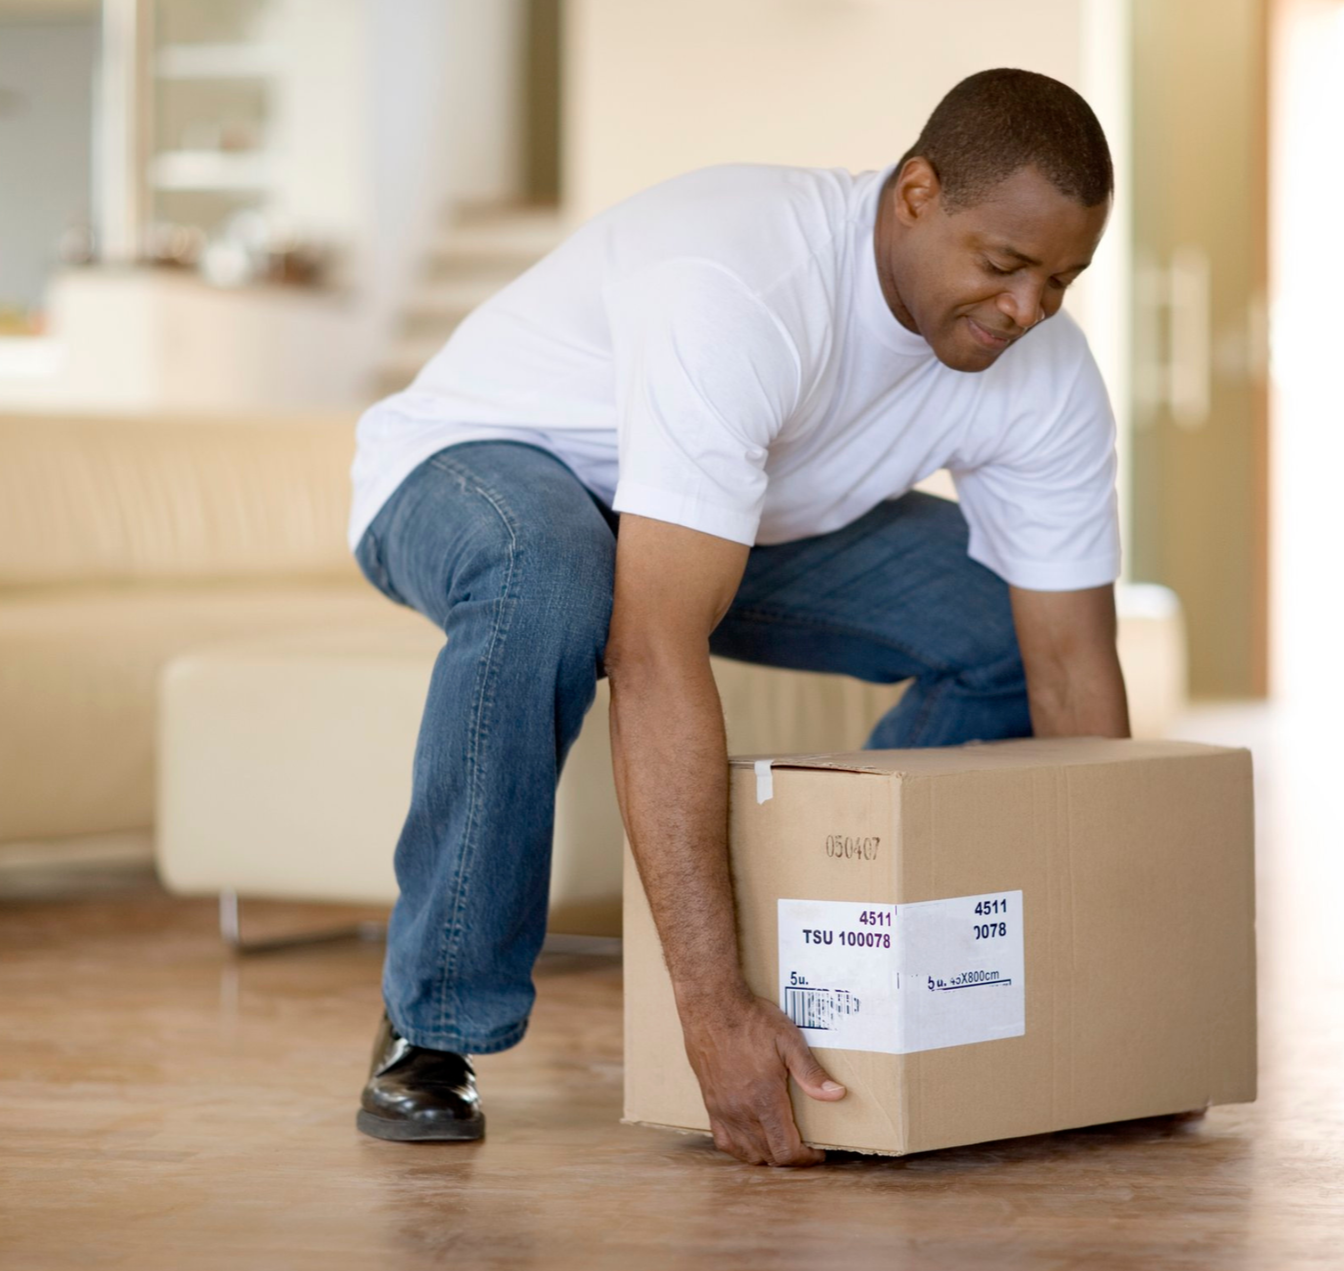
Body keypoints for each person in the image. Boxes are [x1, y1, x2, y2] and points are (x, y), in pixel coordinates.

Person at [347, 67, 1130, 1165]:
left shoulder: (1041, 370)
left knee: (995, 629)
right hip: (472, 468)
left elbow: (1069, 669)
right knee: (556, 580)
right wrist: (709, 1007)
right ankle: (433, 1027)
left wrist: (1114, 1001)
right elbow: (653, 643)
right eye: (1002, 266)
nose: (1026, 310)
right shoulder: (741, 281)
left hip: (729, 517)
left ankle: (845, 969)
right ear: (913, 194)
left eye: (1061, 278)